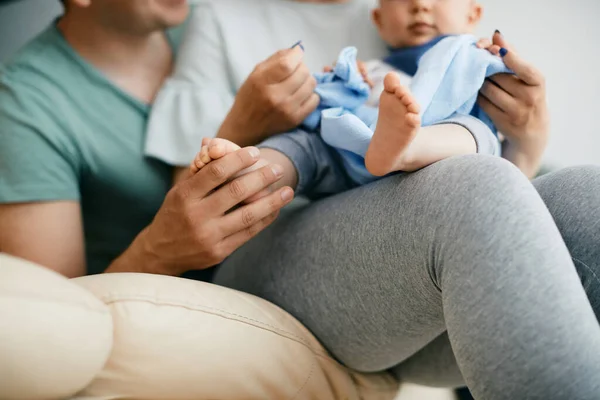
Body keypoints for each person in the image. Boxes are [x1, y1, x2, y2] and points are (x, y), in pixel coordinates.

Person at [0, 1, 599, 399]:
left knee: (584, 193)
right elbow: (42, 312)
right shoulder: (27, 104)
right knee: (476, 189)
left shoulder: (184, 16)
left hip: (385, 253)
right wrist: (238, 133)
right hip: (267, 254)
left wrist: (528, 140)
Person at [158, 0, 506, 198]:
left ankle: (407, 147)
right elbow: (182, 197)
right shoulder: (221, 17)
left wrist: (530, 129)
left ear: (474, 14)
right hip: (343, 154)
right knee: (297, 145)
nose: (419, 6)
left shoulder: (468, 54)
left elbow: (503, 149)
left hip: (418, 157)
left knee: (474, 131)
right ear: (379, 21)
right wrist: (343, 82)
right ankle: (242, 168)